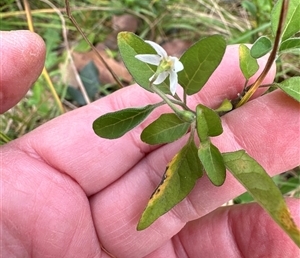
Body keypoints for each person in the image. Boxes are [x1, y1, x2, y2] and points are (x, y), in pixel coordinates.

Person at [1, 30, 299, 258]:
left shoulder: (175, 79)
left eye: (168, 63)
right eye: (165, 63)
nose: (167, 64)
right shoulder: (168, 78)